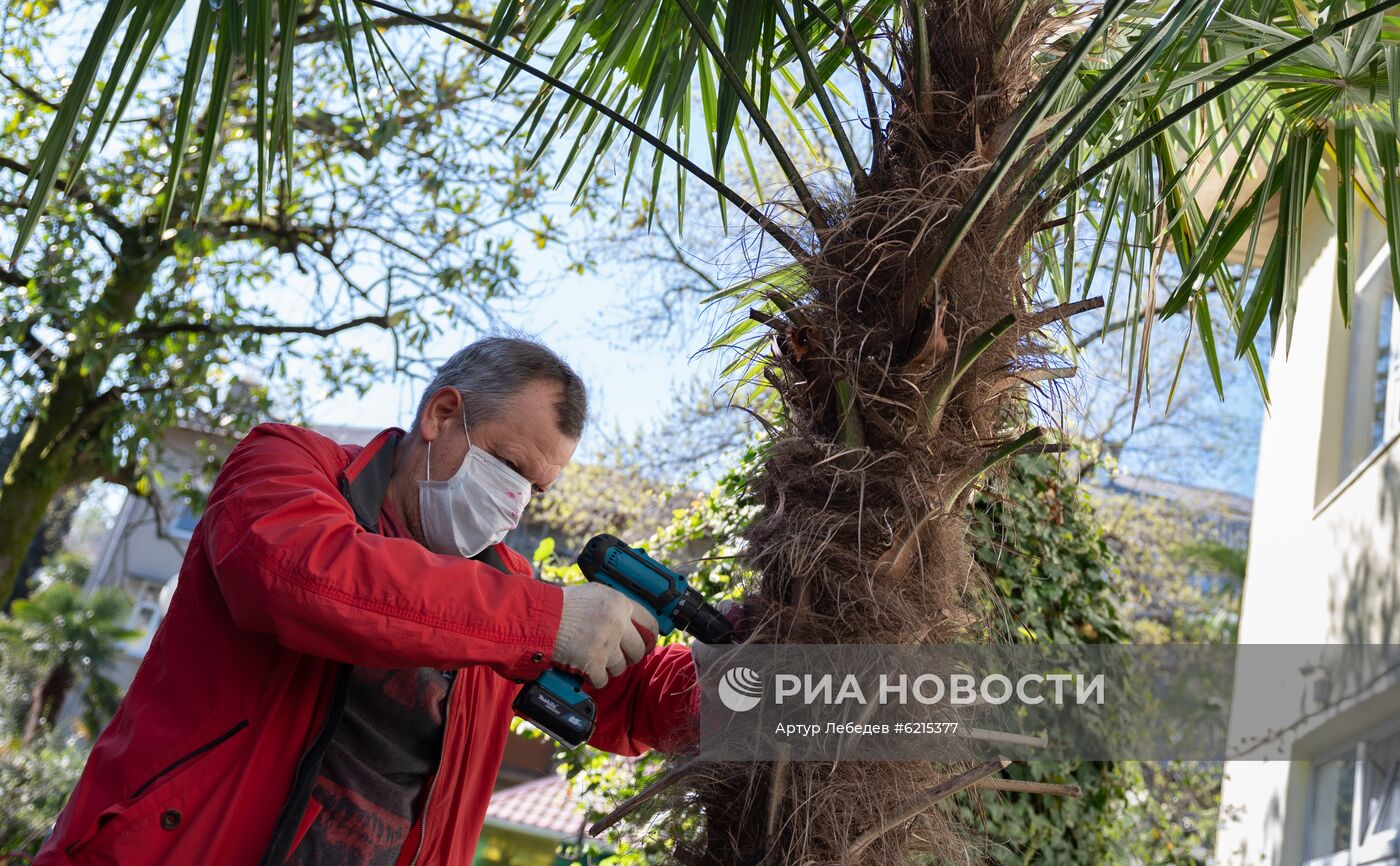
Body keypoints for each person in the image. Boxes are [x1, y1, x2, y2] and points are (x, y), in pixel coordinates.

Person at [35, 336, 701, 866]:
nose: (514, 501)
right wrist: (545, 618)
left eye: (536, 489)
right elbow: (303, 579)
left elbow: (645, 696)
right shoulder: (288, 468)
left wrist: (786, 679)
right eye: (506, 463)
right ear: (441, 415)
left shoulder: (511, 599)